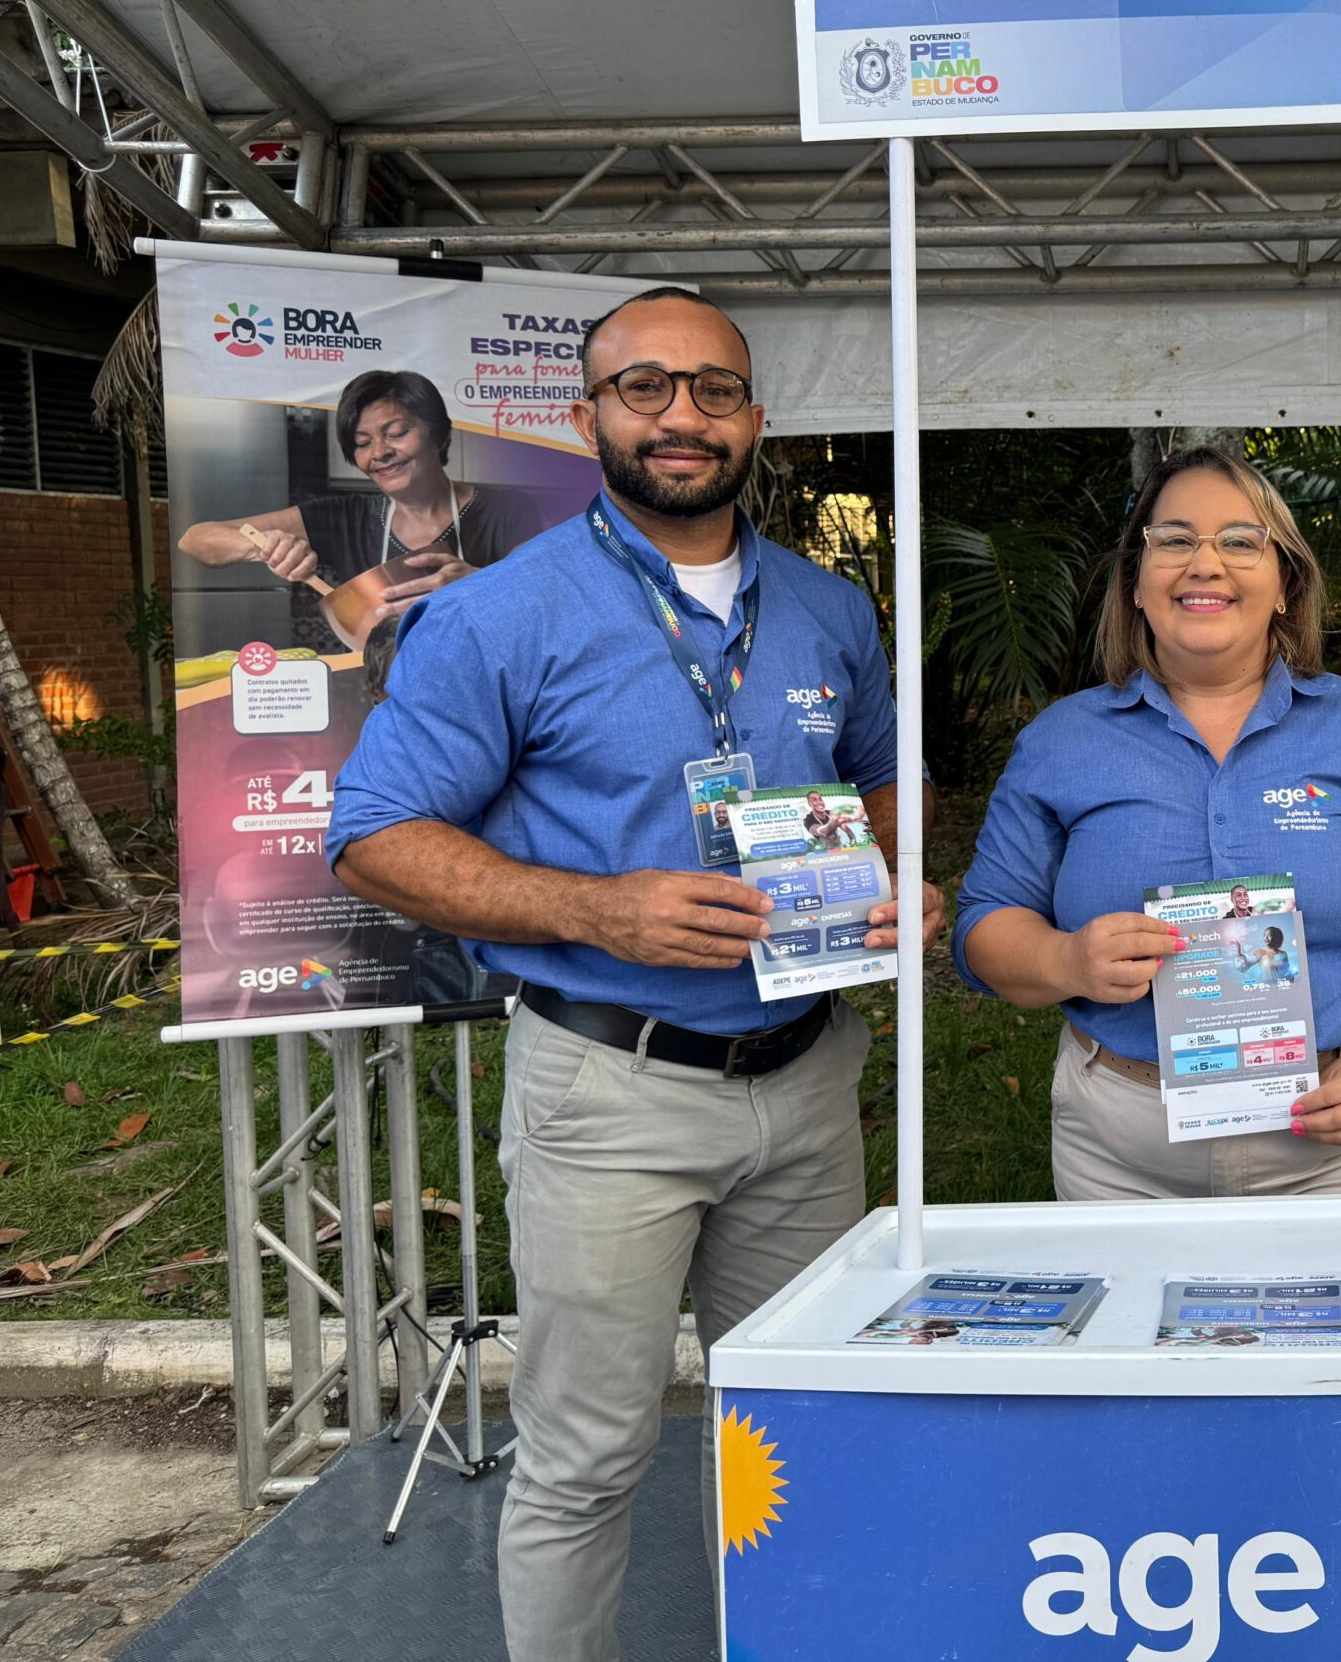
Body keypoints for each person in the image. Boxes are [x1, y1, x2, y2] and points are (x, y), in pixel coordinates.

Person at [325, 287, 942, 1662]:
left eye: (713, 390)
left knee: (800, 1433)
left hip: (806, 1078)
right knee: (587, 1458)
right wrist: (598, 909)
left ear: (755, 420)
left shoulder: (831, 610)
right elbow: (370, 840)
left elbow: (880, 780)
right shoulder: (497, 617)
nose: (681, 415)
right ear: (585, 415)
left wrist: (898, 886)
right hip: (612, 1086)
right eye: (645, 388)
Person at [954, 446, 1341, 1199]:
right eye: (1173, 540)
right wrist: (1067, 960)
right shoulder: (1060, 742)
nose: (1206, 564)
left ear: (1285, 582)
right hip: (1121, 1156)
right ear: (1136, 584)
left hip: (1335, 1151)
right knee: (1130, 1324)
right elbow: (983, 925)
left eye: (1240, 541)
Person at [178, 368, 542, 651]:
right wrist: (265, 547)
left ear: (441, 434)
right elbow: (196, 540)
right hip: (386, 703)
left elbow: (545, 604)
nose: (379, 452)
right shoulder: (347, 517)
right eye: (362, 443)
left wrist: (480, 587)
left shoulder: (508, 509)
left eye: (397, 433)